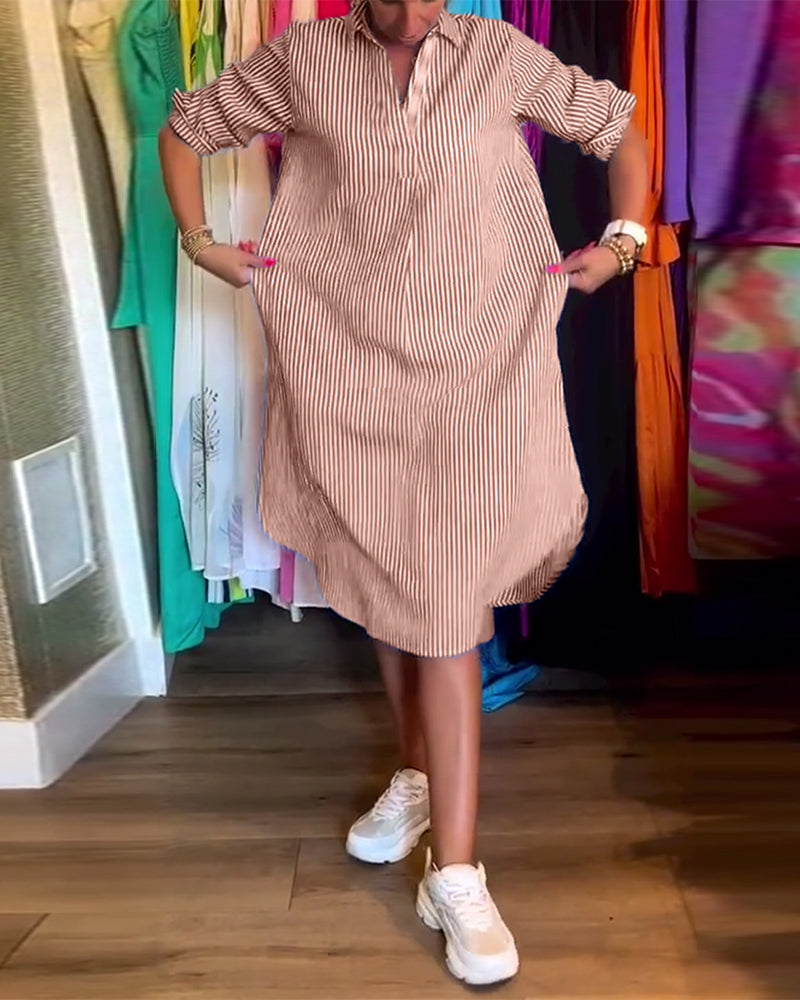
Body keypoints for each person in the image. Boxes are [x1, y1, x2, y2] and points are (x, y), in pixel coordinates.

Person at [159, 0, 648, 985]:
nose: (419, 11)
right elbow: (185, 128)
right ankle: (417, 778)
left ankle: (454, 872)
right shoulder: (303, 57)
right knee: (389, 581)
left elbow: (618, 127)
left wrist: (624, 238)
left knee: (446, 606)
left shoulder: (497, 52)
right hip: (348, 365)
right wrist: (199, 239)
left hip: (478, 365)